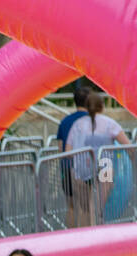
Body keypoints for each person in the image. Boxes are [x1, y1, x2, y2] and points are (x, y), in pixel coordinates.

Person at [65, 91, 131, 226]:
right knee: (97, 208)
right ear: (102, 106)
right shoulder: (110, 124)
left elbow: (68, 151)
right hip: (105, 168)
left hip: (80, 170)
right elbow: (128, 146)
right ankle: (97, 237)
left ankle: (84, 240)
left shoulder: (77, 125)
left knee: (85, 210)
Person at [56, 85, 91, 227]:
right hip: (85, 169)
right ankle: (86, 238)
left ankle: (69, 238)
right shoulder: (92, 120)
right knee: (86, 206)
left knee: (71, 206)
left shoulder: (64, 121)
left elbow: (61, 148)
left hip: (66, 167)